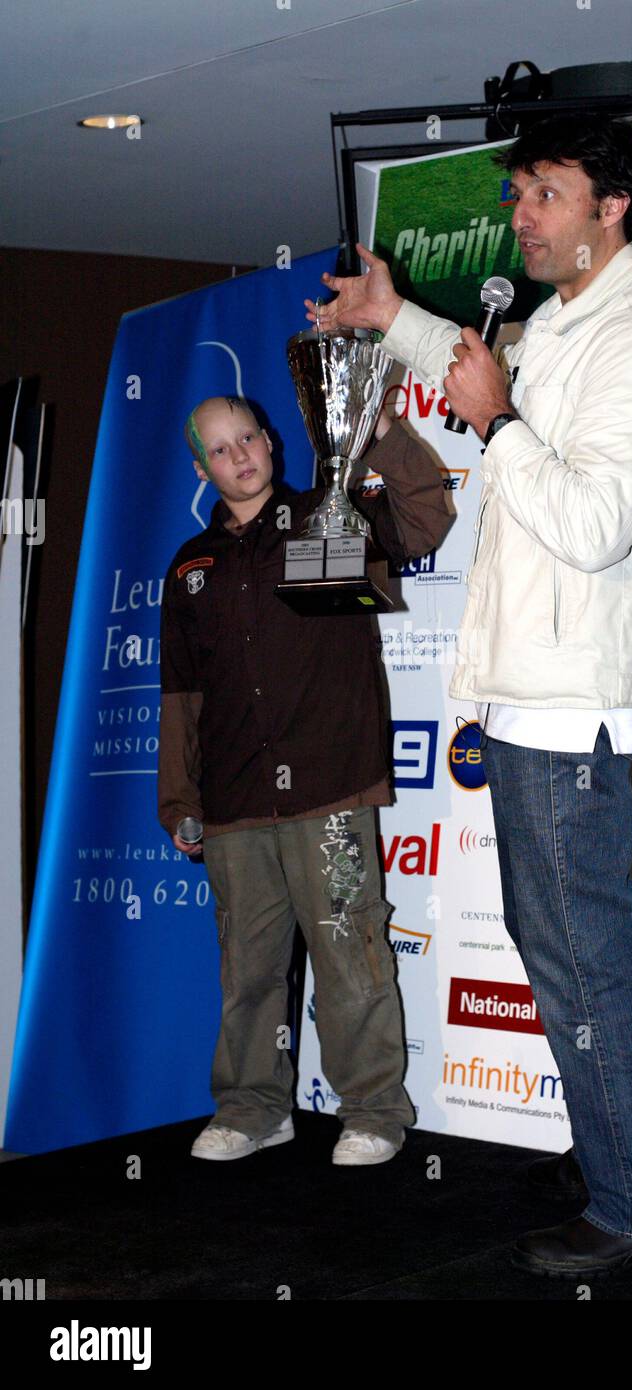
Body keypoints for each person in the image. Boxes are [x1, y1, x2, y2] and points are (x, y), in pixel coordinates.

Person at [306, 113, 632, 1272]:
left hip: (568, 695)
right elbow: (480, 366)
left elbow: (590, 523)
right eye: (519, 191)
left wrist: (495, 420)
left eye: (546, 191)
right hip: (544, 689)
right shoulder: (572, 326)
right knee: (572, 944)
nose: (521, 213)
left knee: (581, 952)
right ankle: (628, 1155)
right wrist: (391, 318)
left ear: (611, 206)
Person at [158, 392, 452, 1165]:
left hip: (329, 791)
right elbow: (180, 694)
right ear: (201, 467)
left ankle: (374, 1112)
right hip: (233, 802)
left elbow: (425, 522)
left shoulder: (328, 522)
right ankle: (254, 1108)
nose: (239, 456)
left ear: (271, 441)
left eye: (246, 438)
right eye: (219, 449)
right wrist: (180, 800)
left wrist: (382, 435)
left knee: (350, 954)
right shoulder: (190, 567)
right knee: (248, 971)